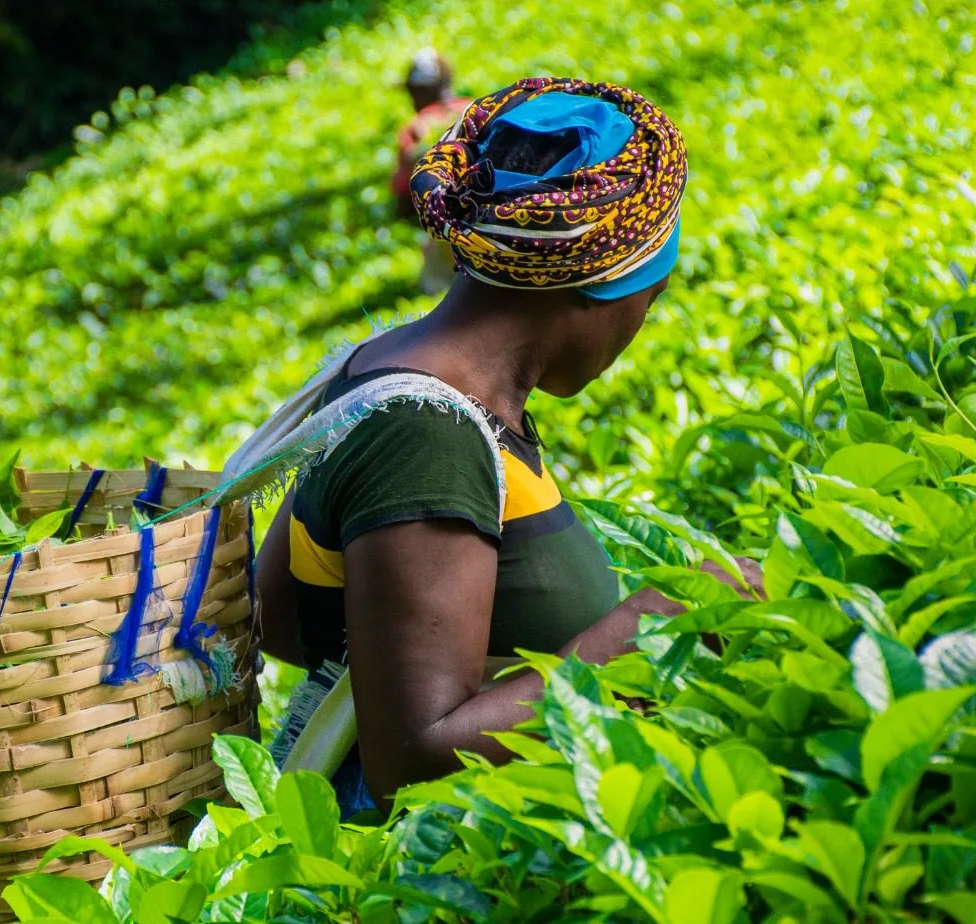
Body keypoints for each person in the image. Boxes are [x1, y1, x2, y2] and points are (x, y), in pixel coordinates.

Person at [225, 77, 757, 820]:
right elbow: (412, 761)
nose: (642, 323)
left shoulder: (386, 366)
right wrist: (648, 630)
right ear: (598, 284)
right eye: (652, 296)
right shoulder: (425, 434)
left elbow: (283, 611)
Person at [391, 50, 473, 294]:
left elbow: (403, 201)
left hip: (448, 235)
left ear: (419, 92)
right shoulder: (476, 109)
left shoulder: (416, 130)